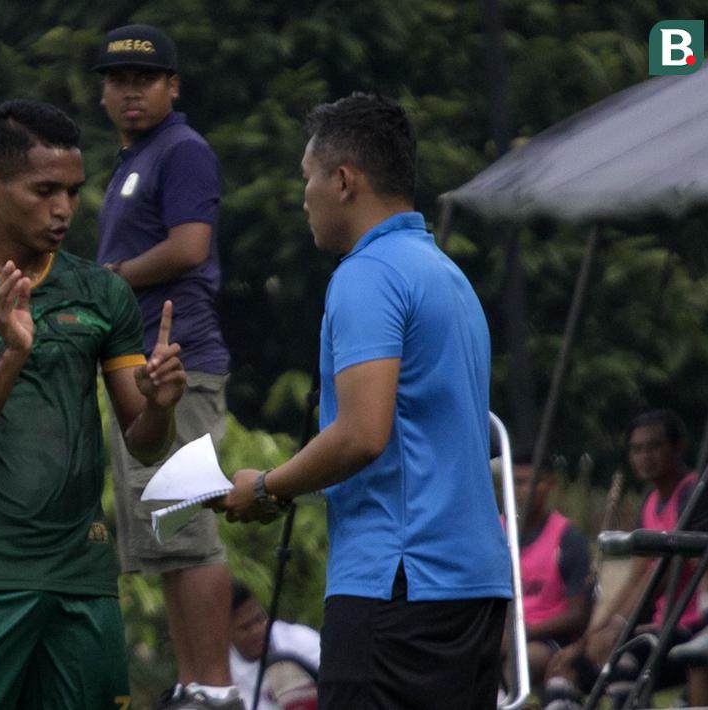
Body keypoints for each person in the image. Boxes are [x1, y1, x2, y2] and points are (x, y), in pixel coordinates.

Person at [217, 92, 513, 710]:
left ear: (344, 180)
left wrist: (269, 487)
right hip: (475, 586)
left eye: (308, 179)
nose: (304, 198)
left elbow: (360, 433)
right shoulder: (447, 276)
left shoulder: (367, 274)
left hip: (398, 582)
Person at [0, 99, 187, 710]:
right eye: (44, 190)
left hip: (82, 582)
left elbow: (144, 440)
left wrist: (160, 406)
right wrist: (11, 356)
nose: (63, 209)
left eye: (74, 192)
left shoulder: (101, 291)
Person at [92, 23, 238, 708]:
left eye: (144, 80)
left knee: (188, 525)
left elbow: (188, 246)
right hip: (142, 374)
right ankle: (191, 685)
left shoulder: (181, 150)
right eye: (117, 81)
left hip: (182, 367)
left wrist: (109, 279)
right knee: (165, 536)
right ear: (102, 92)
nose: (129, 92)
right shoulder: (133, 160)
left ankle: (213, 689)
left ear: (171, 87)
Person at [541, 409, 708, 709]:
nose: (644, 456)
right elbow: (636, 578)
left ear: (678, 448)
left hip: (695, 625)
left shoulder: (693, 496)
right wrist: (591, 635)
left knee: (621, 658)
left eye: (654, 447)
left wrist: (620, 627)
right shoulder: (650, 502)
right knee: (567, 670)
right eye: (637, 449)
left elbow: (662, 574)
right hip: (664, 625)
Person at [505, 456, 593, 689]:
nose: (522, 489)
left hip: (547, 640)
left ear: (550, 484)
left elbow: (578, 614)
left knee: (519, 660)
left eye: (531, 481)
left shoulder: (568, 537)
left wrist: (522, 632)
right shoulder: (495, 532)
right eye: (515, 481)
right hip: (503, 634)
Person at [229, 581, 320, 710]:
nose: (258, 630)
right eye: (245, 627)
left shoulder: (299, 639)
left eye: (260, 619)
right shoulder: (222, 672)